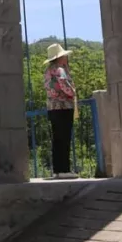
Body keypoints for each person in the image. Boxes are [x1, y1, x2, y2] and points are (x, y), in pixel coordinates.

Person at [43, 44, 78, 179]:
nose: (66, 57)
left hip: (52, 108)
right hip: (64, 107)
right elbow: (64, 85)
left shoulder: (48, 71)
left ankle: (57, 170)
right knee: (65, 137)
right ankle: (65, 169)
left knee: (57, 139)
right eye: (64, 55)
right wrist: (73, 92)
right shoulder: (60, 70)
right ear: (60, 57)